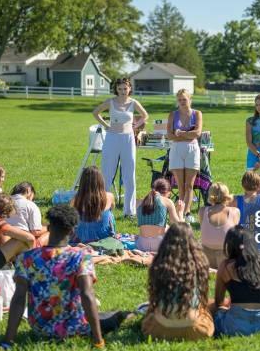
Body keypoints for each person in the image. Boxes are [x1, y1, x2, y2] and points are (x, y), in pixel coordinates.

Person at [0, 205, 130, 349]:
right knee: (115, 316)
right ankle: (128, 315)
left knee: (105, 315)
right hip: (76, 328)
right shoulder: (80, 256)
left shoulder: (26, 258)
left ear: (48, 228)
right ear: (73, 230)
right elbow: (87, 295)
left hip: (40, 328)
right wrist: (98, 340)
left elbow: (18, 298)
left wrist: (7, 340)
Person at [141, 222, 214, 341]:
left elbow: (154, 298)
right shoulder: (199, 263)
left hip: (160, 330)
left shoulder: (158, 264)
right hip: (195, 330)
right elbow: (202, 298)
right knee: (208, 308)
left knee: (148, 317)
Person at [93, 78, 148, 217]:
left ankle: (129, 211)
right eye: (120, 89)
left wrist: (135, 126)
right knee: (107, 173)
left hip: (128, 139)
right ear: (116, 89)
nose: (123, 91)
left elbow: (145, 116)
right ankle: (104, 208)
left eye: (125, 88)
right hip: (111, 138)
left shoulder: (134, 102)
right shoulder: (110, 102)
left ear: (129, 89)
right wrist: (106, 125)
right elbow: (95, 113)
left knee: (129, 175)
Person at [212, 226, 260, 337]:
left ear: (230, 246)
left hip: (234, 327)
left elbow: (218, 301)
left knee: (216, 309)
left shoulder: (226, 267)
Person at [166, 89, 203, 222]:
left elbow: (197, 133)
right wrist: (187, 135)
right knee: (180, 185)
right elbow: (169, 135)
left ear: (190, 100)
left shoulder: (197, 114)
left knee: (189, 185)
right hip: (176, 150)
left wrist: (180, 134)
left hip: (192, 149)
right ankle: (179, 213)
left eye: (184, 99)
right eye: (180, 100)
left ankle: (187, 213)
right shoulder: (173, 115)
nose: (182, 102)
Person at [198, 183, 240, 269]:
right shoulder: (235, 212)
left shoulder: (202, 211)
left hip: (206, 255)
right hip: (226, 256)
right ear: (227, 195)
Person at [72, 166, 116, 244]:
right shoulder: (109, 196)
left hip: (81, 239)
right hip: (105, 239)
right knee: (109, 214)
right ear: (101, 181)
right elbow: (112, 210)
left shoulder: (76, 199)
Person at [136, 178, 181, 252]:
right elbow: (178, 227)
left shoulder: (140, 202)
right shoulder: (167, 201)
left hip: (141, 245)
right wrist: (180, 212)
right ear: (168, 192)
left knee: (166, 226)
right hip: (160, 245)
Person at [6, 182, 49, 247]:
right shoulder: (30, 204)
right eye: (32, 198)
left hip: (2, 241)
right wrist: (50, 228)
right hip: (22, 243)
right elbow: (35, 231)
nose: (32, 200)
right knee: (51, 232)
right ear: (29, 191)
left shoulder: (4, 202)